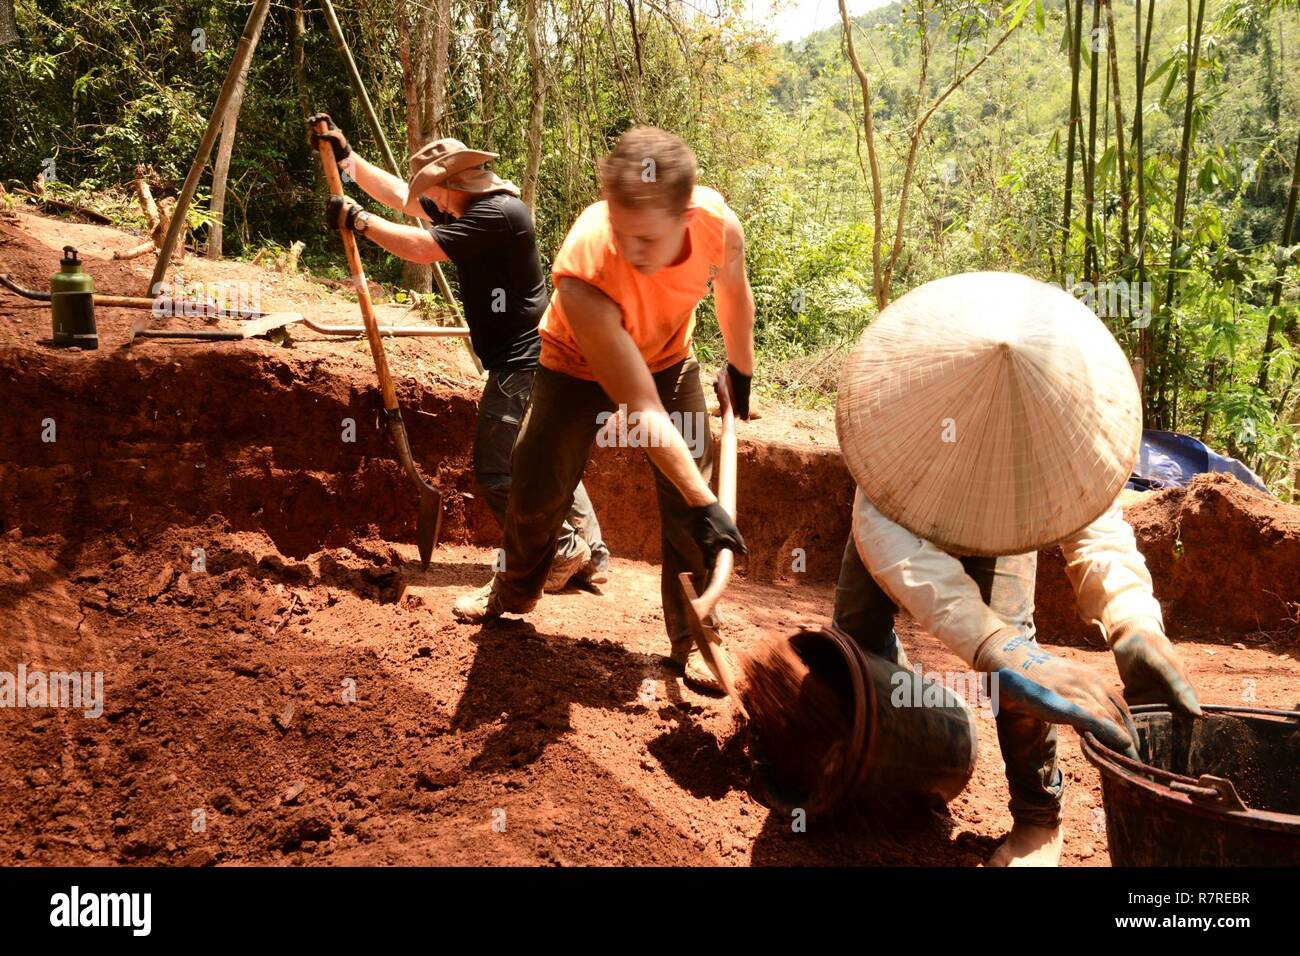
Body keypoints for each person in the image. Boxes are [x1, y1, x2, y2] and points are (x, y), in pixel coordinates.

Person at [832, 271, 1201, 866]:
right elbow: (898, 557)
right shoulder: (897, 434)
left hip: (1009, 519)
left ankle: (1037, 818)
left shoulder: (1059, 420)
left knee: (1021, 680)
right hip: (916, 498)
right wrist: (990, 643)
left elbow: (1092, 519)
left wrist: (1131, 617)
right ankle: (866, 762)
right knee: (855, 636)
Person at [452, 126, 755, 693]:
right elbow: (640, 411)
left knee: (689, 493)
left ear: (687, 217)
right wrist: (709, 502)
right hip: (574, 363)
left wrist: (741, 369)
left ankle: (698, 637)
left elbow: (732, 290)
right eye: (622, 232)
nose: (631, 253)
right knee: (535, 488)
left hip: (668, 357)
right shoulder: (585, 267)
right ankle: (513, 589)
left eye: (646, 240)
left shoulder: (717, 224)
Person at [308, 114, 607, 590]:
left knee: (496, 470)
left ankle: (562, 550)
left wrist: (358, 221)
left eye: (433, 189)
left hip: (522, 360)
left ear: (449, 186)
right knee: (544, 456)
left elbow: (422, 248)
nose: (429, 200)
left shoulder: (496, 216)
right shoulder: (477, 207)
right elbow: (404, 201)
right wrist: (351, 163)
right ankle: (589, 553)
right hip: (538, 355)